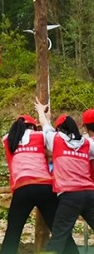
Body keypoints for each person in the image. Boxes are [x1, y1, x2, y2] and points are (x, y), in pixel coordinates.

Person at [0, 114, 78, 254]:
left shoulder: (8, 139)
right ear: (33, 127)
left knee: (13, 231)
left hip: (22, 188)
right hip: (45, 187)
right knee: (59, 231)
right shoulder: (41, 136)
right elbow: (54, 142)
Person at [34, 103, 94, 254]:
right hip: (89, 194)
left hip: (69, 196)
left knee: (58, 238)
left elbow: (45, 125)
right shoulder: (87, 143)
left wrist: (42, 111)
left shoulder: (55, 140)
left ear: (59, 129)